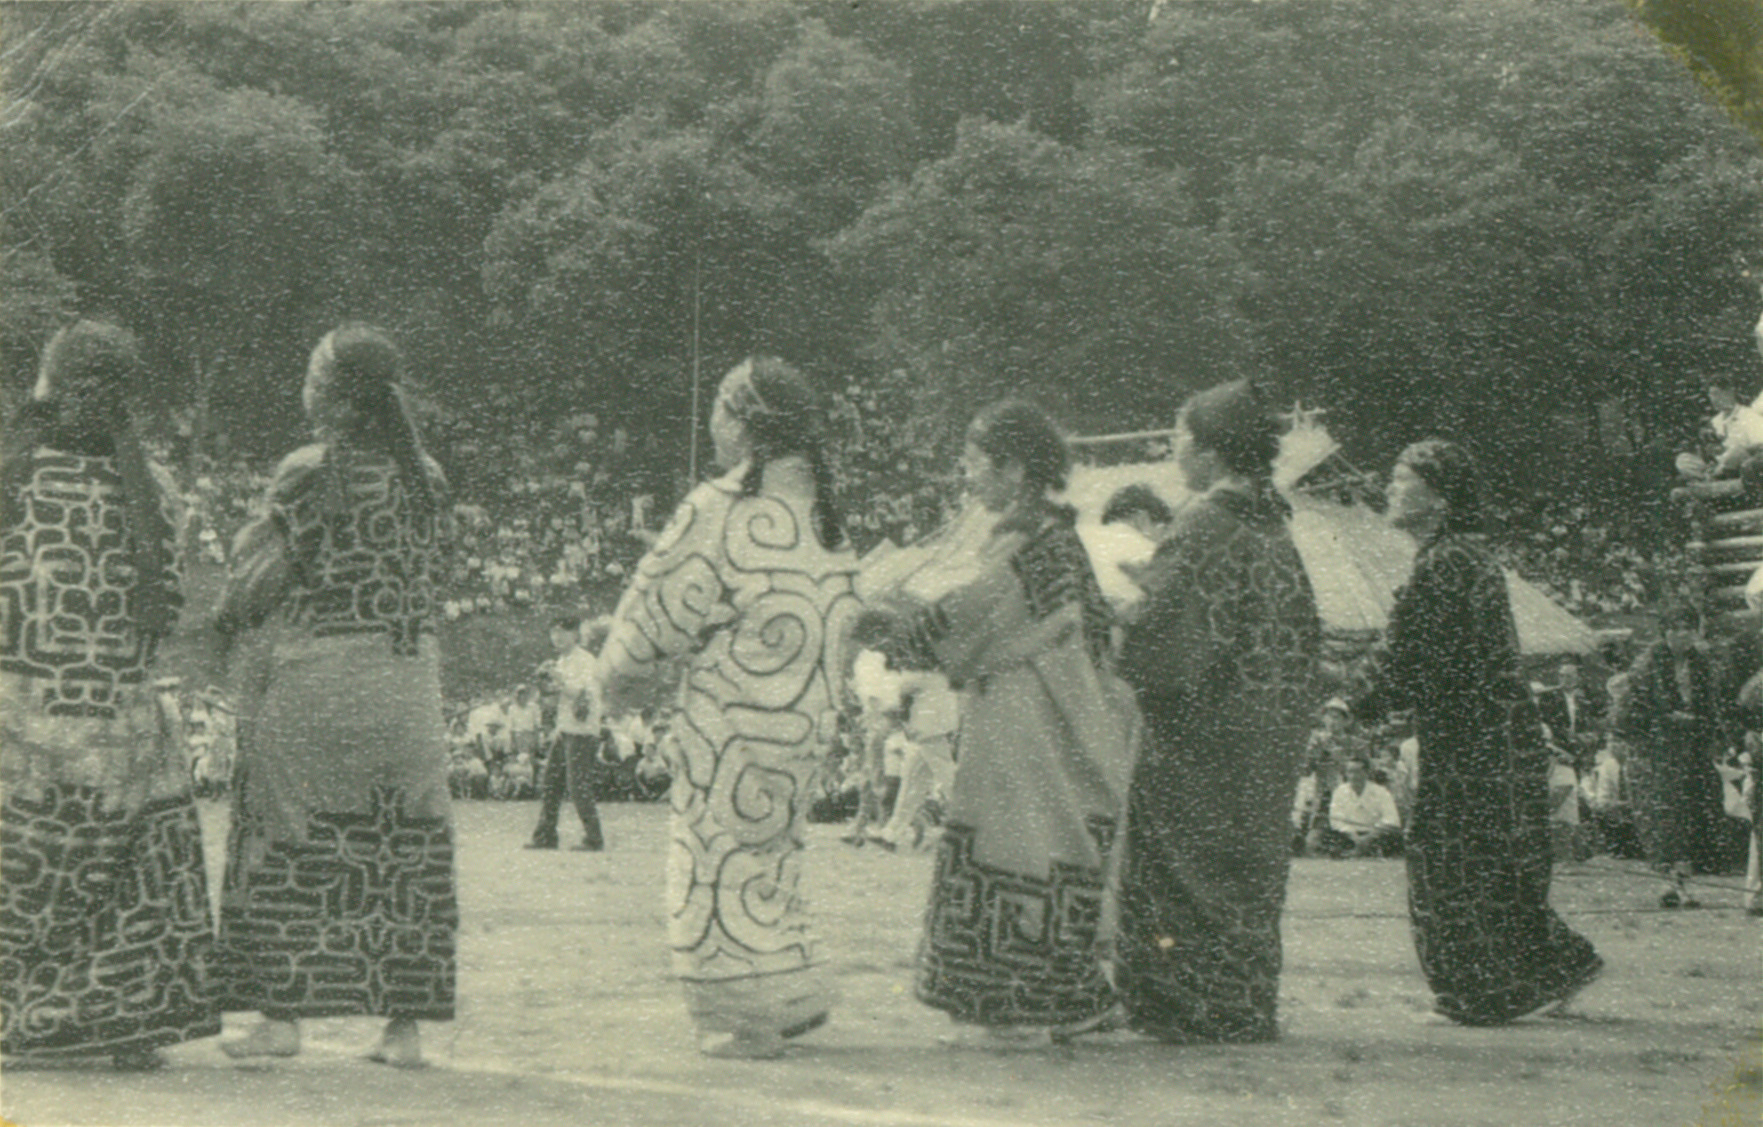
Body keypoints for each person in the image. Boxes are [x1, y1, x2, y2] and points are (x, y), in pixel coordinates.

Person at [597, 357, 861, 1059]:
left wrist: (615, 672)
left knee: (717, 865)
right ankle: (790, 995)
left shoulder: (720, 507)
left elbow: (657, 616)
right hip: (805, 716)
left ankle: (752, 1018)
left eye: (719, 406)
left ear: (744, 423)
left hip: (734, 718)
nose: (712, 421)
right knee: (772, 860)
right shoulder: (824, 515)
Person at [210, 325, 458, 1067]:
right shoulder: (428, 479)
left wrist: (228, 616)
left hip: (321, 676)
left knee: (283, 832)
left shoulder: (308, 471)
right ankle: (403, 1027)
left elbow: (259, 576)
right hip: (409, 683)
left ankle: (281, 1016)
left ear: (329, 392)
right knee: (403, 846)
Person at [858, 399, 1136, 1045]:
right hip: (1026, 717)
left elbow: (973, 615)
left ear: (1013, 468)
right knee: (1027, 848)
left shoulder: (1040, 546)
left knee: (1019, 848)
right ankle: (1050, 998)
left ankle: (1027, 1003)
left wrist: (893, 626)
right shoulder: (1042, 540)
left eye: (975, 463)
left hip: (1033, 723)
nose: (967, 477)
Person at [0, 321, 219, 1069]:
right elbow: (168, 604)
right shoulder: (154, 489)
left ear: (48, 385)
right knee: (153, 790)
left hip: (17, 729)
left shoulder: (11, 473)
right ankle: (128, 1016)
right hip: (117, 732)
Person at [1352, 439, 1601, 1025]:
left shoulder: (1444, 563)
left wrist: (1352, 694)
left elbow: (1402, 658)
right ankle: (1555, 966)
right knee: (1490, 862)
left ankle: (1484, 991)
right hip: (1490, 735)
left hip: (1470, 741)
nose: (1389, 487)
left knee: (1449, 864)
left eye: (1401, 476)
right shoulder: (1463, 556)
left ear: (1438, 495)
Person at [1113, 378, 1322, 1043]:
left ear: (1206, 451)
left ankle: (1183, 1003)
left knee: (1185, 865)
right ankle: (1242, 1000)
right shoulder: (1271, 524)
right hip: (1268, 731)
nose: (1173, 449)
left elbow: (1162, 633)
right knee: (1249, 872)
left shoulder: (1205, 521)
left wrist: (1117, 623)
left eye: (1178, 436)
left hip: (1204, 732)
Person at [1614, 603, 1739, 907]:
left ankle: (1682, 880)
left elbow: (1713, 705)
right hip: (1655, 752)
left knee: (1694, 812)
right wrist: (1667, 718)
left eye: (1688, 629)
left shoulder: (1701, 663)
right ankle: (1670, 881)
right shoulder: (1647, 665)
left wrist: (1709, 730)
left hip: (1692, 748)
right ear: (1665, 632)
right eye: (1675, 628)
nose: (1682, 635)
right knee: (1663, 816)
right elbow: (1631, 712)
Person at [527, 614, 609, 851]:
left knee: (577, 786)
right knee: (551, 784)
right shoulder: (560, 663)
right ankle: (545, 836)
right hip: (564, 730)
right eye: (553, 632)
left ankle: (594, 839)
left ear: (576, 635)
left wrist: (557, 678)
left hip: (582, 731)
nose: (557, 637)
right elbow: (555, 701)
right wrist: (543, 684)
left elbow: (583, 695)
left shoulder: (586, 661)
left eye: (563, 632)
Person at [1314, 757, 1404, 859]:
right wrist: (1354, 836)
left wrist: (1369, 837)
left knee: (1393, 838)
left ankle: (1360, 851)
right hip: (1348, 835)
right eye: (1350, 772)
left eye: (1357, 772)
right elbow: (1336, 820)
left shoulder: (1381, 792)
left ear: (1367, 773)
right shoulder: (1340, 791)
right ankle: (1359, 851)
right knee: (1327, 837)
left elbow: (1392, 820)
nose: (1353, 776)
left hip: (1375, 834)